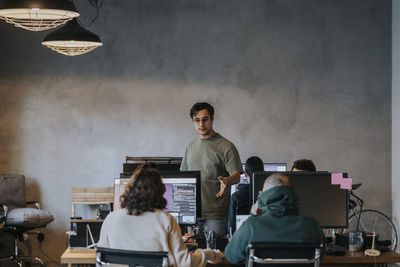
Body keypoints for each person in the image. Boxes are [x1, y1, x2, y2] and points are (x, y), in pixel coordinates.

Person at [98, 163, 222, 267]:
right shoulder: (165, 220)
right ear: (160, 191)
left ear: (129, 189)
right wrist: (208, 254)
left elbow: (100, 259)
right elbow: (184, 263)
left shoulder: (111, 219)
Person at [224, 173, 325, 265]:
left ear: (264, 197)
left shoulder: (251, 227)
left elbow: (231, 256)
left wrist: (253, 216)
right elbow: (321, 255)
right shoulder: (312, 226)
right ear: (292, 195)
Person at [180, 102, 243, 235]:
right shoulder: (190, 147)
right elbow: (184, 179)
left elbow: (237, 175)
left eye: (205, 120)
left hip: (216, 214)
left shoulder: (226, 146)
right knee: (195, 253)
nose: (201, 125)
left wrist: (227, 180)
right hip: (192, 213)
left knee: (214, 254)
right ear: (193, 121)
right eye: (197, 120)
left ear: (212, 118)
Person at [228, 156, 264, 234]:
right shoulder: (268, 195)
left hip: (242, 239)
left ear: (245, 174)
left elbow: (231, 228)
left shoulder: (236, 197)